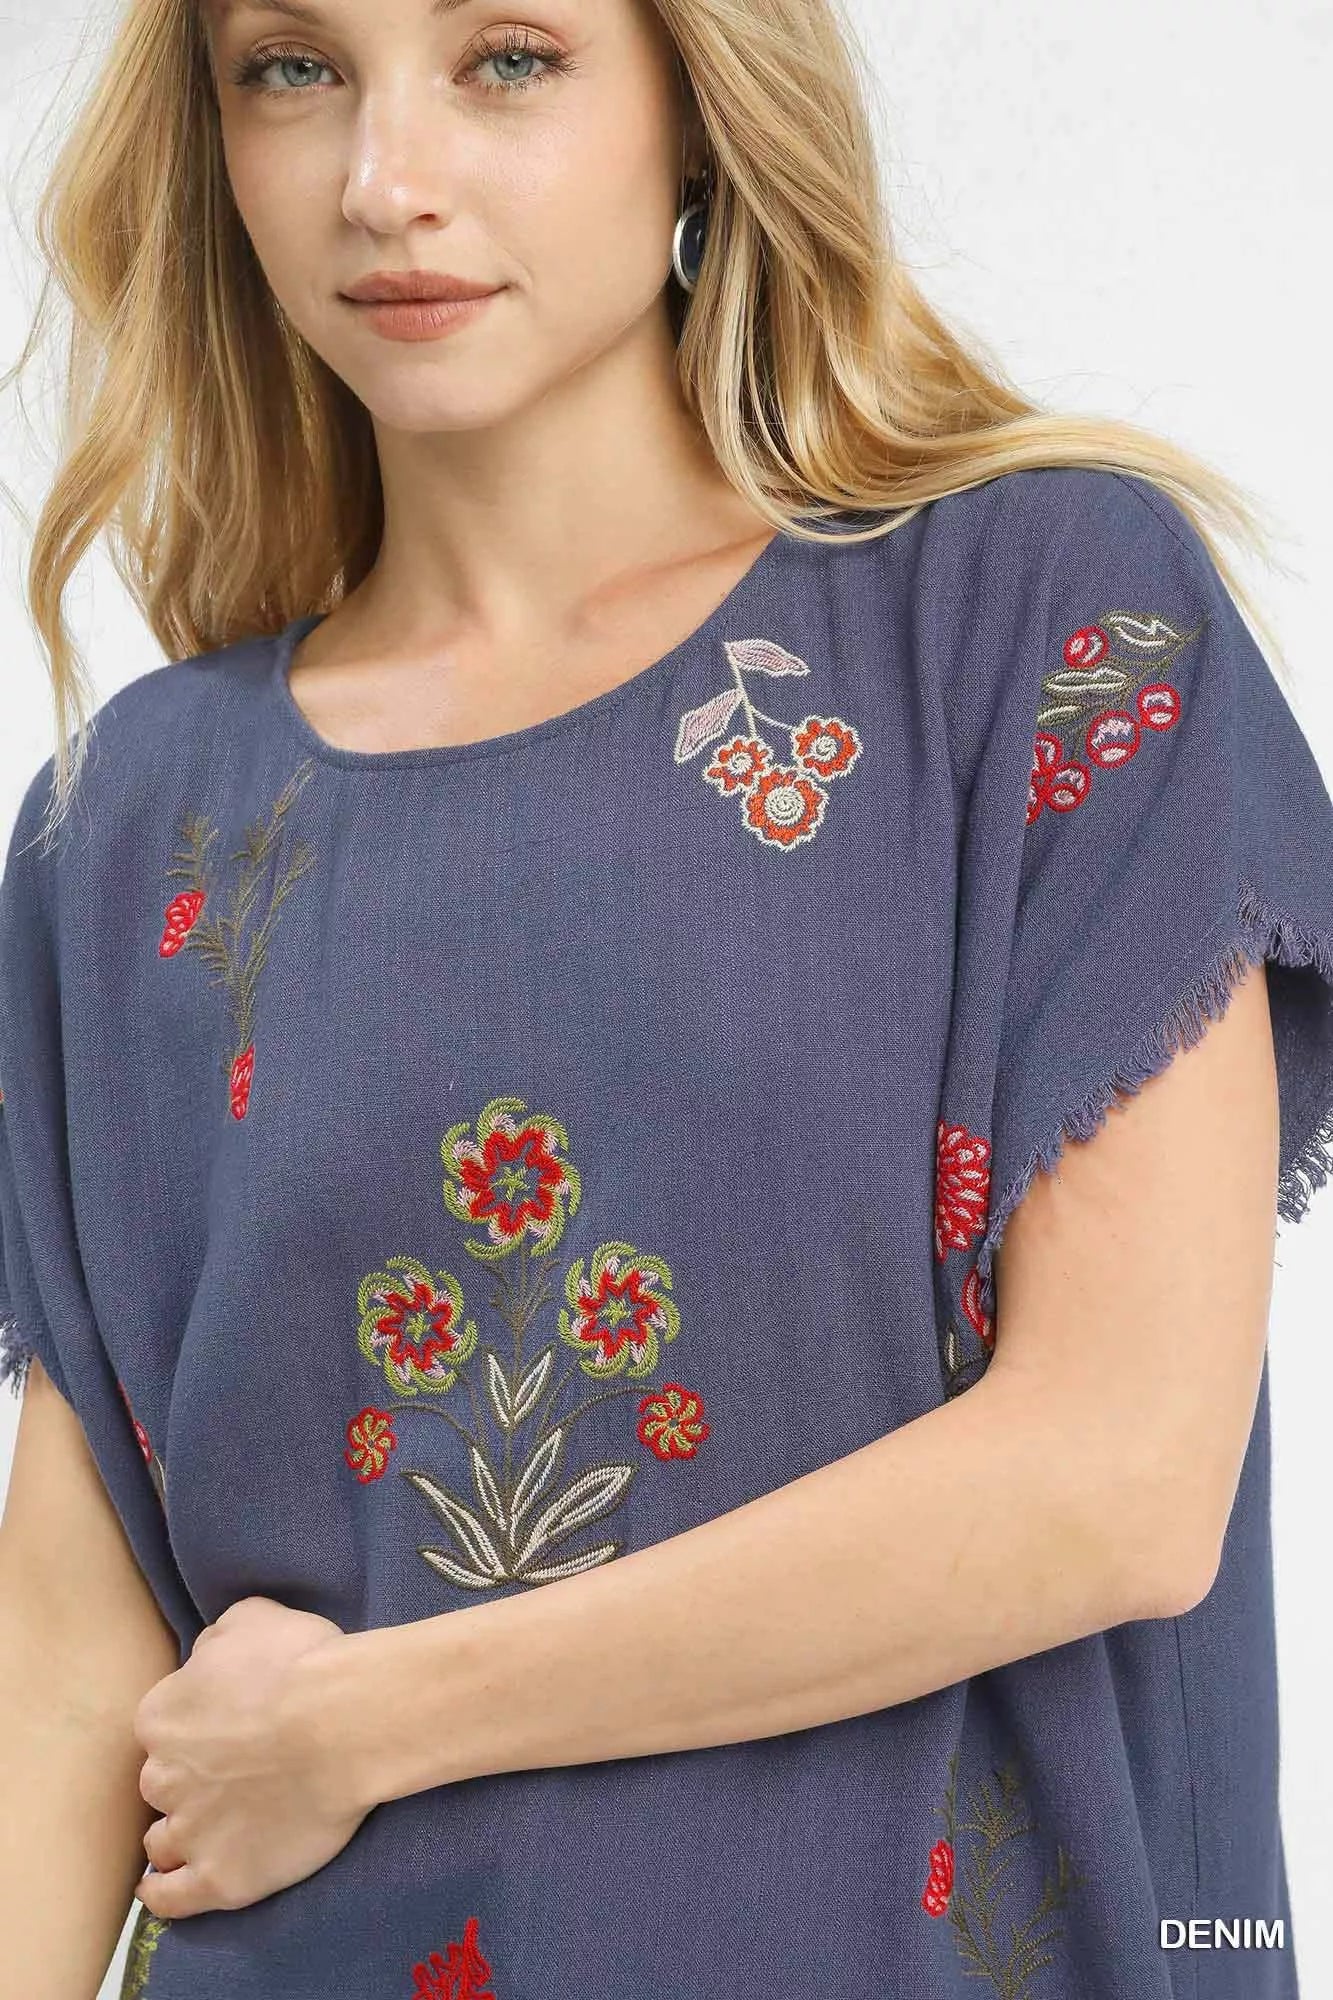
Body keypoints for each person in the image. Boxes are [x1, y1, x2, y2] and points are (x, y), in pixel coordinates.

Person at [1, 0, 1330, 1993]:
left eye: (508, 57)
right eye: (291, 67)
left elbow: (1117, 1479)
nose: (384, 181)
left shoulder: (1034, 618)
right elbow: (65, 1655)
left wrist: (367, 1720)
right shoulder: (135, 823)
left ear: (699, 105)